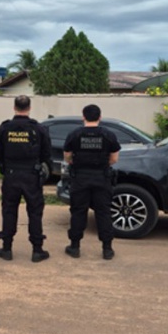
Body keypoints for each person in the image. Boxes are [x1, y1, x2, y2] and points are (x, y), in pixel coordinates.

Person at [0, 95, 52, 262]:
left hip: (11, 175)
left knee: (9, 210)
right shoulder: (38, 129)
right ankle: (37, 250)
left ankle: (6, 248)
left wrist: (6, 164)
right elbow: (47, 154)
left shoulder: (4, 128)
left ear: (14, 107)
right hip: (32, 175)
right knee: (35, 212)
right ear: (29, 108)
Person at [63, 104, 121, 260]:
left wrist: (76, 163)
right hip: (102, 178)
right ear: (100, 117)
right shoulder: (108, 135)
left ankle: (74, 247)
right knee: (103, 213)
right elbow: (114, 158)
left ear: (83, 117)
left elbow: (67, 156)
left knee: (78, 212)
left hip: (80, 178)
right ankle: (107, 249)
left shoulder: (74, 134)